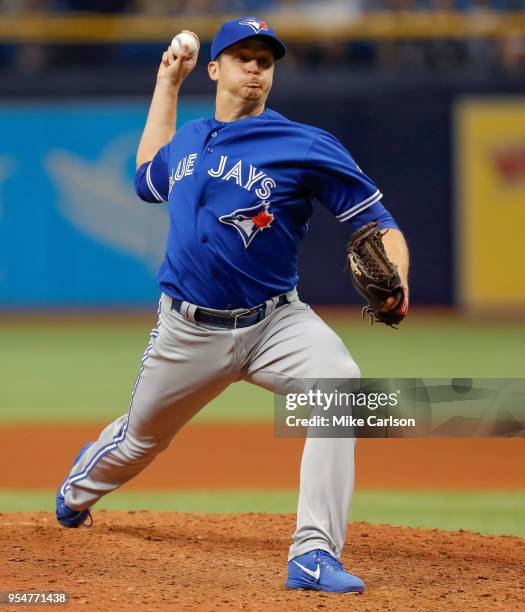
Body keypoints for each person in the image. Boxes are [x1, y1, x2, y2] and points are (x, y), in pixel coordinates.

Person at [55, 17, 409, 594]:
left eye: (264, 61)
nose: (254, 68)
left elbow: (377, 220)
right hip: (188, 333)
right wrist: (167, 82)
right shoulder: (191, 139)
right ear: (215, 69)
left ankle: (314, 553)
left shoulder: (305, 145)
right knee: (139, 442)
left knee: (340, 385)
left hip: (276, 321)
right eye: (243, 57)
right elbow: (147, 177)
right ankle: (77, 490)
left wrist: (401, 279)